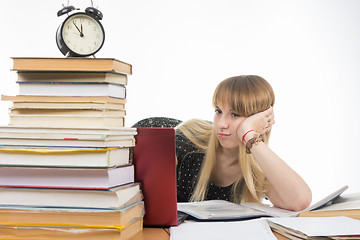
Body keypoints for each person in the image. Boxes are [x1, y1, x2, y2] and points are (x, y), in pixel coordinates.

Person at [176, 75, 312, 211]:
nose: (221, 124)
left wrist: (249, 135)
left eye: (235, 114)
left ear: (260, 120)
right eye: (218, 111)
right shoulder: (188, 140)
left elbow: (300, 201)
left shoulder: (257, 171)